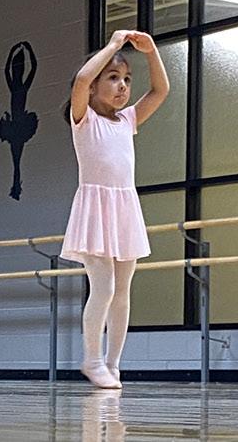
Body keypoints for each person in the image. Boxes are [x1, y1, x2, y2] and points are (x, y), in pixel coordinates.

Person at [63, 30, 169, 388]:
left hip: (124, 207)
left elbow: (160, 91)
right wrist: (111, 46)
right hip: (95, 209)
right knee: (104, 288)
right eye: (113, 77)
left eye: (126, 79)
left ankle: (113, 363)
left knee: (123, 291)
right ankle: (92, 359)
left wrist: (151, 52)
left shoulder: (127, 120)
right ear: (95, 87)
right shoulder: (83, 119)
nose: (122, 86)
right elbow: (81, 79)